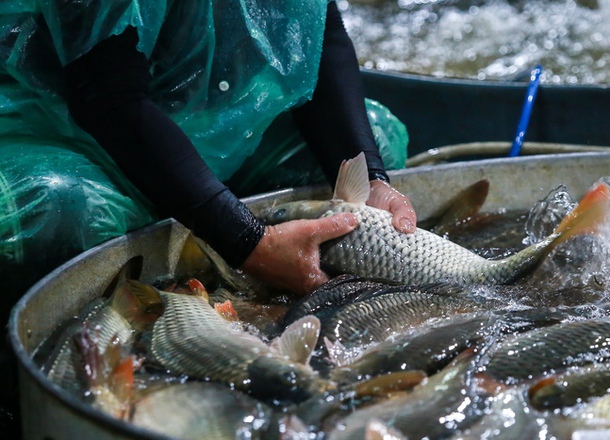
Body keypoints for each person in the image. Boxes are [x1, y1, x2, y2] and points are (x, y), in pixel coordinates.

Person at [61, 0, 418, 296]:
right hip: (78, 134)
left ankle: (251, 232)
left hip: (221, 122)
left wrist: (370, 177)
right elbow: (105, 95)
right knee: (65, 212)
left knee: (378, 144)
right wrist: (249, 243)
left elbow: (319, 33)